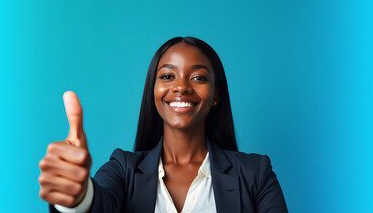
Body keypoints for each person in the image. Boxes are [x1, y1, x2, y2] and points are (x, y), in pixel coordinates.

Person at [38, 37, 288, 213]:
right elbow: (100, 203)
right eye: (167, 76)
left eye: (198, 77)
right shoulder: (123, 170)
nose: (181, 87)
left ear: (216, 95)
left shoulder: (256, 174)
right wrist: (78, 196)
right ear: (153, 90)